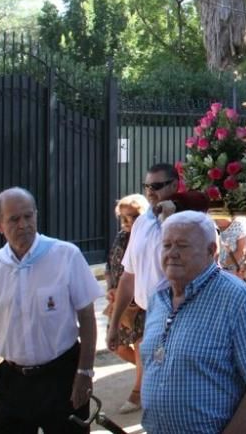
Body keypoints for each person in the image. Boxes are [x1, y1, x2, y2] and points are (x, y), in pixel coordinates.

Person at [0, 188, 101, 432]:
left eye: (28, 216)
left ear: (36, 216)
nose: (23, 225)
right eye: (14, 219)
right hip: (14, 380)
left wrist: (85, 372)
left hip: (62, 376)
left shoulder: (65, 255)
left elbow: (86, 316)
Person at [141, 212, 246, 433]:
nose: (172, 253)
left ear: (211, 251)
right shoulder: (158, 299)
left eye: (182, 246)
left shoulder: (239, 301)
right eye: (166, 245)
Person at [106, 163, 180, 408]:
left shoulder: (188, 220)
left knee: (175, 389)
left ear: (174, 185)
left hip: (179, 316)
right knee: (156, 391)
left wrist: (169, 221)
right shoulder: (141, 223)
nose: (150, 191)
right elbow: (129, 276)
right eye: (147, 186)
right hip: (148, 315)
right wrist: (114, 324)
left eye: (157, 186)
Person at [104, 194, 149, 413]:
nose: (127, 222)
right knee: (119, 347)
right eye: (123, 218)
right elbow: (110, 263)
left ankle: (138, 392)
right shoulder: (121, 237)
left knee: (140, 346)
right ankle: (150, 375)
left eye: (132, 217)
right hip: (121, 300)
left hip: (140, 300)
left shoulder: (147, 235)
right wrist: (111, 288)